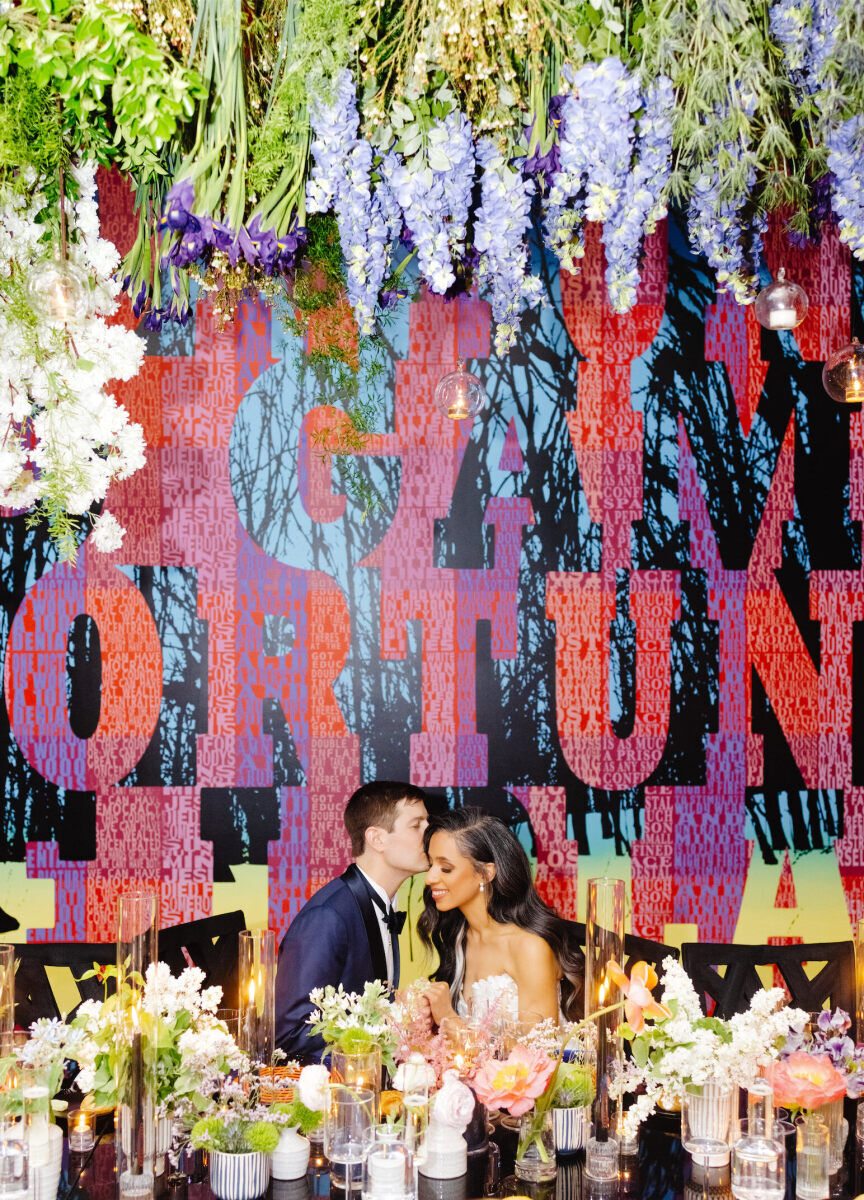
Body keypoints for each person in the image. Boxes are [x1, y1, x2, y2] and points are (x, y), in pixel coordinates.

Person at [275, 780, 430, 1062]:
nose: (429, 833)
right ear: (377, 839)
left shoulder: (380, 902)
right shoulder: (328, 916)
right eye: (417, 825)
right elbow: (291, 1036)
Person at [418, 807, 584, 1028]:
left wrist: (448, 1019)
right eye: (431, 865)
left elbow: (538, 1054)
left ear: (487, 873)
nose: (430, 878)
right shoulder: (458, 934)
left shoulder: (529, 947)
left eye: (446, 868)